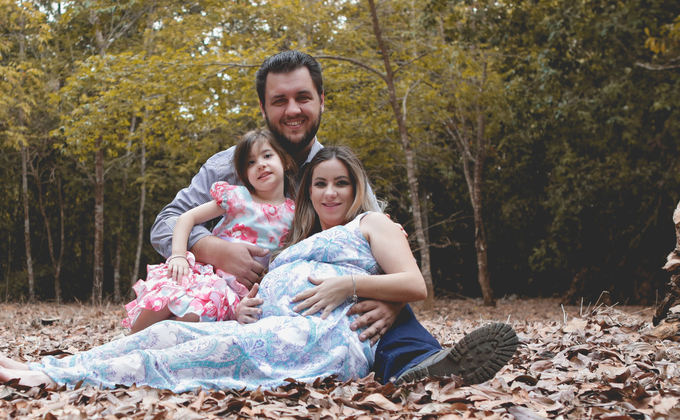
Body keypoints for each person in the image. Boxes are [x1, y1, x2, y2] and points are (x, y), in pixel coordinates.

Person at [0, 147, 518, 392]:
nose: (330, 192)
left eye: (341, 183)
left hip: (321, 334)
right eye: (320, 183)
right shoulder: (300, 237)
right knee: (163, 330)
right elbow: (183, 224)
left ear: (357, 190)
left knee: (195, 353)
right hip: (266, 323)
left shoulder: (373, 224)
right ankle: (48, 363)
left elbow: (415, 285)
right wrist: (251, 302)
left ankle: (56, 378)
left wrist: (350, 285)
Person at [150, 50, 517, 384]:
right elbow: (166, 222)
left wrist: (393, 300)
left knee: (367, 310)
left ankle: (419, 364)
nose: (292, 109)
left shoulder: (335, 172)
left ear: (322, 101)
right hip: (241, 303)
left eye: (303, 97)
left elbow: (377, 245)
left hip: (321, 305)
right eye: (280, 101)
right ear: (263, 108)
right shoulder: (228, 167)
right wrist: (213, 248)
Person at [123, 129, 296, 333]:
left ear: (284, 161)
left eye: (267, 155)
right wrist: (178, 255)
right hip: (208, 275)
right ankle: (130, 343)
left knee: (190, 317)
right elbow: (186, 217)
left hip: (238, 295)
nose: (260, 164)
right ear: (245, 174)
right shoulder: (238, 197)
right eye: (250, 163)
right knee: (166, 298)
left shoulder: (296, 212)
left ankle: (151, 350)